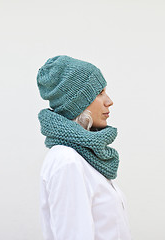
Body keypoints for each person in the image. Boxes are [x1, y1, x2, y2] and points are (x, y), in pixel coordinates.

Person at [36, 55, 131, 240]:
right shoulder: (67, 161)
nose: (109, 101)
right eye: (99, 92)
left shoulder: (84, 156)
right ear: (77, 103)